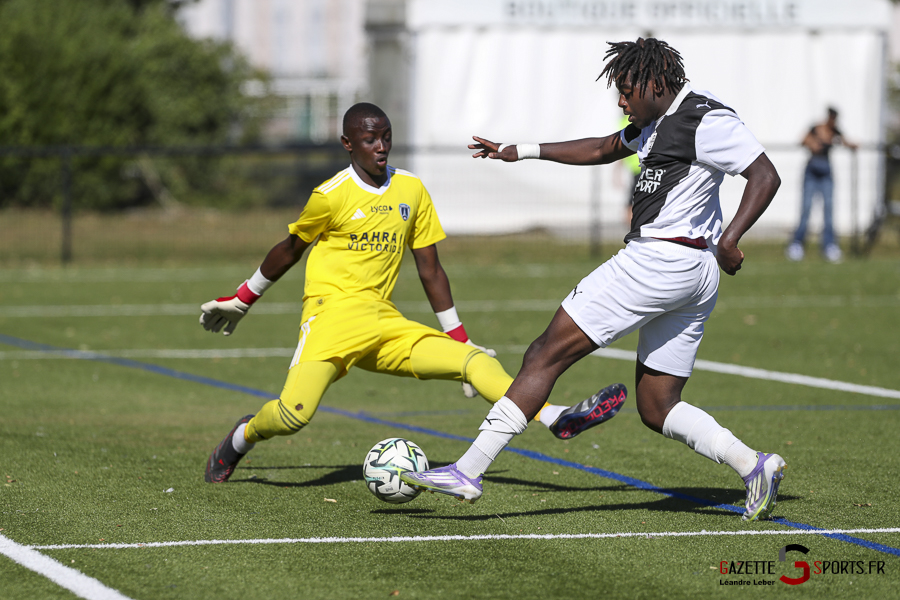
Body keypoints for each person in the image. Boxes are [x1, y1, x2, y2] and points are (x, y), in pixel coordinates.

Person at [402, 38, 786, 522]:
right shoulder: (656, 121)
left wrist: (731, 238)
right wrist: (520, 151)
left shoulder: (704, 118)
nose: (621, 101)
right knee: (657, 405)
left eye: (626, 90)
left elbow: (764, 175)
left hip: (659, 262)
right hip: (691, 273)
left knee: (544, 353)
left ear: (654, 83)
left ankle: (468, 470)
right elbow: (603, 148)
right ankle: (753, 466)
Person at [199, 102, 626, 483]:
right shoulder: (329, 196)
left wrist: (459, 336)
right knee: (293, 416)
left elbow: (431, 269)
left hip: (383, 322)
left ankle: (554, 416)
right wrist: (243, 299)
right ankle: (240, 438)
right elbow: (290, 249)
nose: (381, 147)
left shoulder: (411, 189)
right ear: (348, 144)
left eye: (386, 137)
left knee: (475, 361)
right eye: (371, 139)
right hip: (331, 320)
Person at [786, 107, 858, 263]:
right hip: (812, 169)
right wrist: (814, 144)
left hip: (826, 171)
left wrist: (853, 145)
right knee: (806, 208)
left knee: (829, 210)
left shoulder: (835, 131)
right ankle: (796, 244)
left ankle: (829, 246)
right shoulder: (816, 128)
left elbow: (846, 142)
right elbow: (803, 140)